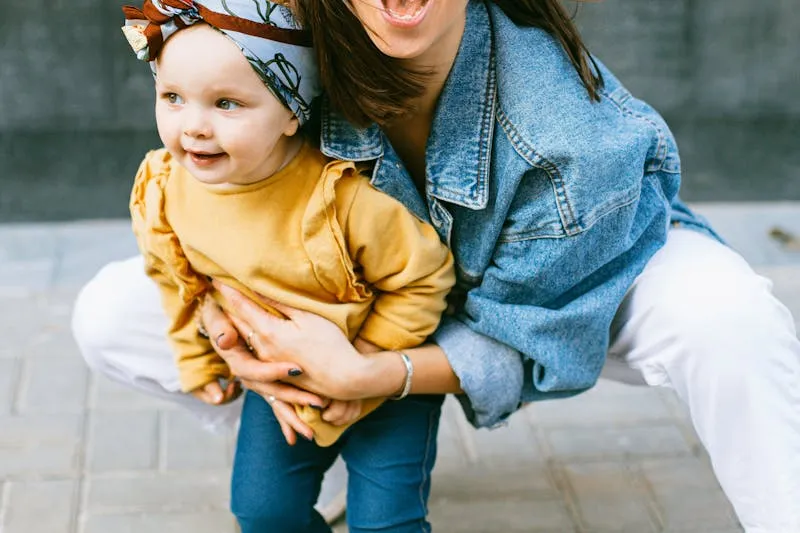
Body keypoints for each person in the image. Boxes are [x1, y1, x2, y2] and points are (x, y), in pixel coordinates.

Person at [72, 0, 800, 531]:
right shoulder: (285, 34)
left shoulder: (569, 136)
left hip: (574, 281)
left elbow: (525, 338)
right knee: (111, 312)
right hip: (351, 288)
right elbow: (202, 171)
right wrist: (223, 317)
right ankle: (302, 447)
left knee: (728, 320)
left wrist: (370, 374)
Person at [112, 0, 455, 530]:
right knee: (262, 511)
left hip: (382, 381)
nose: (194, 127)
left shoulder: (341, 198)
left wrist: (362, 365)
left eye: (227, 104)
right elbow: (174, 273)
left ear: (291, 111)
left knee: (386, 521)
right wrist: (196, 355)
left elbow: (424, 277)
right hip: (289, 383)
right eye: (173, 97)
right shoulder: (165, 187)